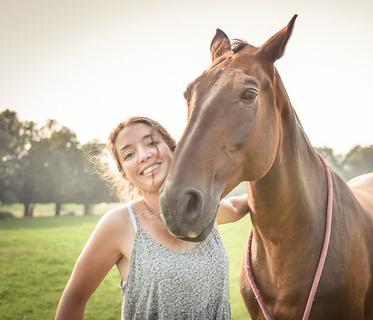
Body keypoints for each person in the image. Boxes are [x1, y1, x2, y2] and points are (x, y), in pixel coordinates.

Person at [55, 116, 249, 320]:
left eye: (151, 143)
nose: (144, 155)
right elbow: (74, 300)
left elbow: (236, 207)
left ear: (173, 149)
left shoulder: (201, 208)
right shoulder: (120, 223)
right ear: (124, 173)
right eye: (129, 154)